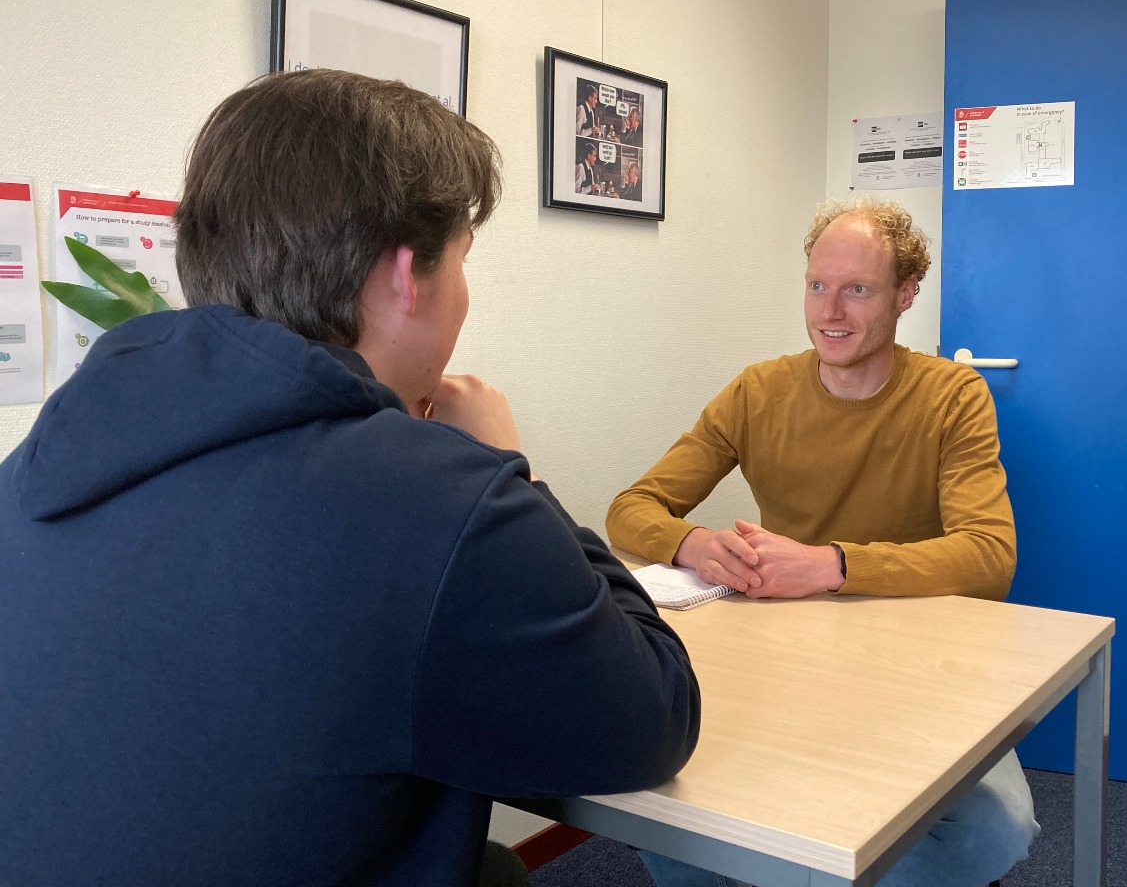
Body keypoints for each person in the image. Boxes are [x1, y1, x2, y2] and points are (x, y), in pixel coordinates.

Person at [0, 69, 700, 887]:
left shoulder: (41, 462)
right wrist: (519, 474)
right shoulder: (438, 501)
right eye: (463, 262)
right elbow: (652, 717)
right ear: (407, 275)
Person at [606, 196, 1034, 887]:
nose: (829, 312)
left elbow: (989, 558)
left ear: (905, 295)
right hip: (787, 658)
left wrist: (832, 566)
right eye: (817, 286)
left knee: (994, 833)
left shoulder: (954, 394)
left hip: (928, 660)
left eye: (857, 290)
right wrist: (690, 544)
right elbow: (632, 507)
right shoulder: (757, 391)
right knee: (670, 801)